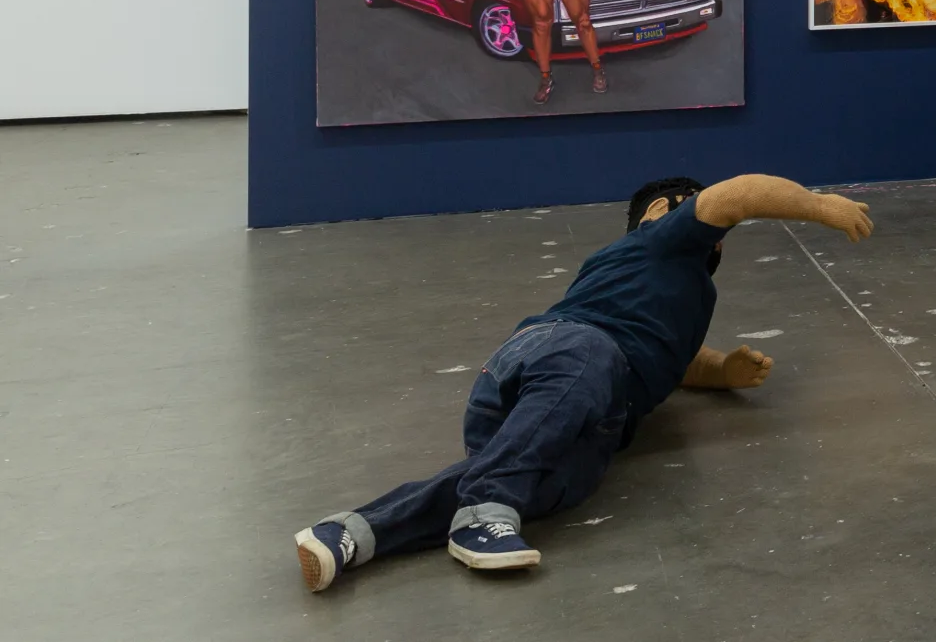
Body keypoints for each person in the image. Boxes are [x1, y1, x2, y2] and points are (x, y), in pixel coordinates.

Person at [292, 173, 874, 591]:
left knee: (551, 487)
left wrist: (722, 371)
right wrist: (817, 205)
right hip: (560, 354)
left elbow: (674, 360)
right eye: (696, 216)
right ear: (661, 214)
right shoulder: (656, 242)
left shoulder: (689, 292)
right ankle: (488, 504)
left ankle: (352, 533)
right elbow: (737, 194)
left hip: (579, 419)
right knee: (588, 367)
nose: (715, 232)